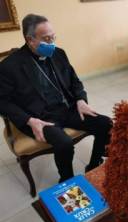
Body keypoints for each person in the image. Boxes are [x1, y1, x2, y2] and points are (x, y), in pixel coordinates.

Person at [0, 14, 112, 182]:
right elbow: (3, 102)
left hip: (67, 108)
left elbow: (75, 81)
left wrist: (81, 100)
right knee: (64, 144)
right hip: (39, 118)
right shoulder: (9, 66)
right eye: (46, 39)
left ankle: (94, 165)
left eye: (53, 37)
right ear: (30, 39)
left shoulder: (59, 54)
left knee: (105, 123)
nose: (52, 43)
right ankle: (67, 180)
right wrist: (29, 120)